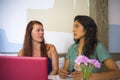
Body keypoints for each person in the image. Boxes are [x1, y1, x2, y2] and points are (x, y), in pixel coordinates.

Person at [59, 15, 120, 80]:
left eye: (77, 26)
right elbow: (65, 70)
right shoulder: (71, 48)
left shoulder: (98, 46)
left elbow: (117, 73)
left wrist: (87, 76)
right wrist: (62, 73)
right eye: (73, 27)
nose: (73, 30)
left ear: (88, 28)